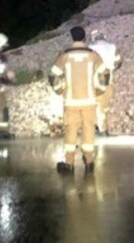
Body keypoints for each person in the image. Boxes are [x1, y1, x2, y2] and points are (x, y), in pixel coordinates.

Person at [49, 26, 110, 174]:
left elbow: (53, 75)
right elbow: (105, 73)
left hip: (71, 102)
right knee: (88, 131)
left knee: (71, 131)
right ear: (84, 38)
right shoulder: (92, 55)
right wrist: (100, 89)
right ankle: (89, 161)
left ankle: (69, 163)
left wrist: (59, 90)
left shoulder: (64, 56)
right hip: (89, 101)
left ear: (72, 38)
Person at [88, 30, 122, 136]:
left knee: (96, 103)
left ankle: (100, 129)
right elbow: (118, 62)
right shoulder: (112, 47)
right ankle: (102, 129)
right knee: (104, 104)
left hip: (93, 79)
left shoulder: (90, 48)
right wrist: (111, 70)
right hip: (107, 78)